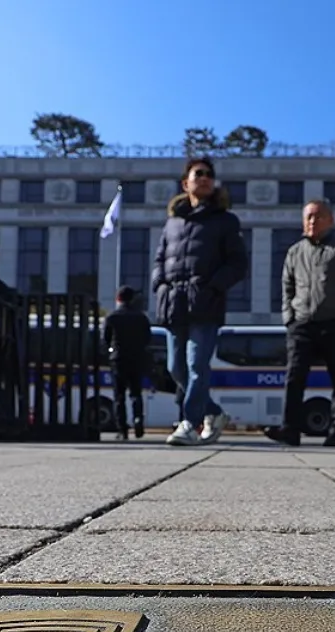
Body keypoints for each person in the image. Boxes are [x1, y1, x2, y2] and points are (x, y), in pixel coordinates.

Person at [151, 157, 248, 446]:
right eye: (198, 174)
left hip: (205, 304)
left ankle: (189, 424)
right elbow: (159, 258)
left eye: (209, 175)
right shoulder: (172, 222)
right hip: (173, 303)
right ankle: (214, 413)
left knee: (197, 366)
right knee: (175, 368)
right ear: (186, 183)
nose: (204, 178)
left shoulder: (225, 220)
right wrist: (159, 284)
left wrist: (212, 287)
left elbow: (238, 263)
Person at [264, 199, 335, 447]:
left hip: (334, 323)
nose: (312, 221)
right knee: (294, 377)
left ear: (330, 220)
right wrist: (289, 317)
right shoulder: (295, 251)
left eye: (318, 216)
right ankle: (290, 429)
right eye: (308, 217)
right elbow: (287, 287)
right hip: (301, 324)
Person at [103, 285, 152, 440]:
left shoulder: (112, 317)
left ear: (118, 299)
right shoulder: (141, 317)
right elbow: (147, 339)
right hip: (137, 359)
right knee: (136, 393)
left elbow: (105, 340)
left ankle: (122, 429)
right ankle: (138, 420)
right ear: (132, 299)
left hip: (118, 359)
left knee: (119, 396)